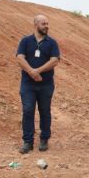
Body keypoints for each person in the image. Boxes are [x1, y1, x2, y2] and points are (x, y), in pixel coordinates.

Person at [16, 14, 60, 154]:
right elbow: (19, 57)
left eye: (47, 23)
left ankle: (44, 139)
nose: (46, 26)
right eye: (43, 24)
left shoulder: (52, 43)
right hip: (27, 84)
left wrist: (38, 71)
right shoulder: (25, 41)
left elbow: (55, 60)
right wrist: (31, 72)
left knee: (45, 111)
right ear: (35, 24)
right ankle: (27, 142)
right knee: (28, 110)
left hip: (46, 84)